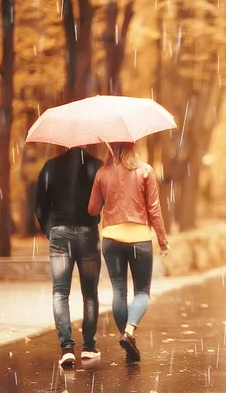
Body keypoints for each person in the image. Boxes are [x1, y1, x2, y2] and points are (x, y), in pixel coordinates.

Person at [88, 142, 170, 362]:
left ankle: (126, 336)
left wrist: (108, 194)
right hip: (139, 239)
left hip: (111, 238)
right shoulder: (145, 171)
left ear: (110, 149)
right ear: (133, 147)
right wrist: (162, 240)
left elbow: (92, 209)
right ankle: (129, 333)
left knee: (119, 292)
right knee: (142, 291)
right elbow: (154, 209)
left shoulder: (102, 173)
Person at [35, 146, 103, 367]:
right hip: (88, 234)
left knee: (60, 292)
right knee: (90, 293)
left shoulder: (50, 167)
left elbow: (39, 206)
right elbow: (104, 202)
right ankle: (89, 346)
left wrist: (51, 230)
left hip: (59, 232)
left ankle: (66, 348)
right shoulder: (97, 166)